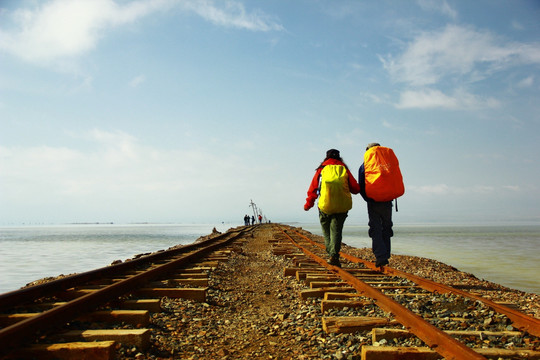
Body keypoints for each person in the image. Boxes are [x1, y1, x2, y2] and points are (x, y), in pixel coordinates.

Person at [304, 149, 360, 267]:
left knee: (327, 232)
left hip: (325, 206)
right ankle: (333, 255)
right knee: (336, 231)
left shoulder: (322, 169)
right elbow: (355, 188)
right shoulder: (344, 169)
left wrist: (308, 205)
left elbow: (313, 189)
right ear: (339, 157)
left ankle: (332, 254)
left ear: (326, 157)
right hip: (342, 206)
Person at [358, 143, 394, 268]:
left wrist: (368, 198)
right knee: (386, 227)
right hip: (388, 201)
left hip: (373, 201)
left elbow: (361, 185)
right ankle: (386, 254)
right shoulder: (388, 164)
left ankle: (381, 256)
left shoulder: (365, 166)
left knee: (376, 228)